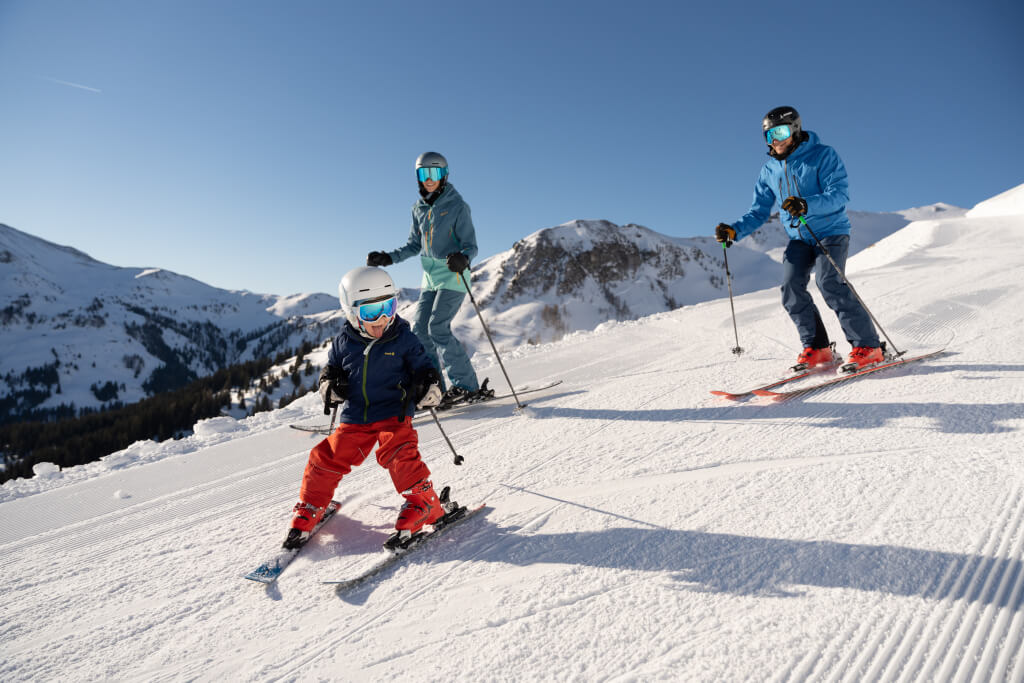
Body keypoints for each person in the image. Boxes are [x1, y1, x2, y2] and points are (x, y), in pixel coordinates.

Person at [283, 266, 453, 551]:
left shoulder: (403, 338)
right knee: (324, 457)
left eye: (389, 307)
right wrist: (329, 384)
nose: (383, 319)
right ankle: (312, 505)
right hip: (356, 417)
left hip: (394, 414)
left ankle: (424, 502)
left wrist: (429, 384)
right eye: (371, 313)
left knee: (398, 451)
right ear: (351, 312)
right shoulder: (343, 342)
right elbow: (331, 370)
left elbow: (425, 368)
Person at [715, 106, 884, 372]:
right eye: (768, 135)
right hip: (799, 237)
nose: (775, 140)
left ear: (795, 129)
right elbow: (758, 211)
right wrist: (734, 231)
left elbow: (839, 194)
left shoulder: (823, 155)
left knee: (829, 282)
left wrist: (806, 205)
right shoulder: (769, 170)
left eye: (780, 132)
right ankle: (818, 349)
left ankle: (869, 347)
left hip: (831, 231)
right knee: (791, 288)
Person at [366, 151, 493, 406]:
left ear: (444, 175)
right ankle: (433, 388)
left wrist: (464, 258)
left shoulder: (457, 206)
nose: (429, 179)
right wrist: (388, 258)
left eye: (434, 173)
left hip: (454, 273)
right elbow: (414, 245)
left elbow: (472, 245)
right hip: (430, 275)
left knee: (438, 327)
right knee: (420, 330)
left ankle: (467, 386)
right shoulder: (418, 208)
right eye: (424, 173)